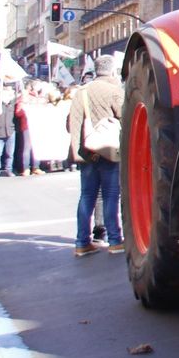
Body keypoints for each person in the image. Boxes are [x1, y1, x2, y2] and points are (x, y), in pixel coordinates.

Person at [67, 56, 124, 257]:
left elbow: (71, 124)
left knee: (87, 196)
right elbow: (124, 115)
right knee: (110, 195)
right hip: (108, 150)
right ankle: (115, 240)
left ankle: (82, 242)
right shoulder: (114, 91)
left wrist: (77, 150)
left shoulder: (80, 92)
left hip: (87, 151)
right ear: (112, 71)